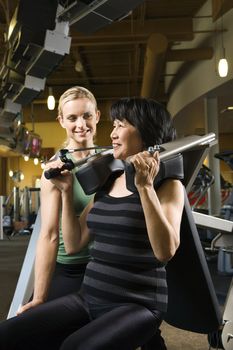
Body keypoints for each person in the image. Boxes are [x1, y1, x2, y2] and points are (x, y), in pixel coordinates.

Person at [0, 97, 184, 350]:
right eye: (114, 125)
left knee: (74, 347)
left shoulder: (169, 186)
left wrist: (145, 187)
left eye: (121, 125)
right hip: (88, 298)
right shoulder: (110, 180)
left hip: (138, 305)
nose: (113, 133)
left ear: (146, 132)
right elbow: (74, 244)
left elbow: (165, 251)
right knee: (8, 333)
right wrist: (66, 192)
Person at [18, 86, 101, 314]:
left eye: (87, 115)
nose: (81, 125)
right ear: (61, 120)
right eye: (72, 118)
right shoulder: (56, 170)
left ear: (97, 116)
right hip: (71, 267)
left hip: (106, 264)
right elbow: (49, 234)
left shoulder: (111, 160)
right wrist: (40, 297)